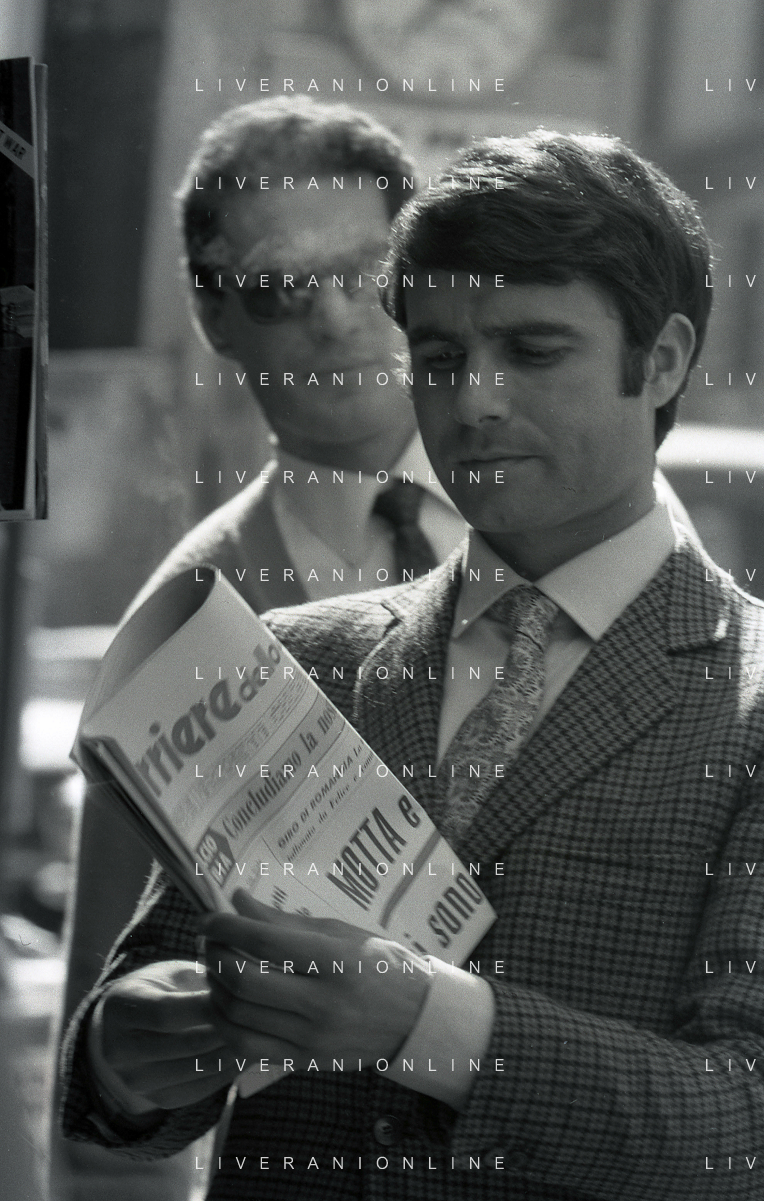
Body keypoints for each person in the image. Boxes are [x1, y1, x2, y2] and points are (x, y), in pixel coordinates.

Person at [59, 129, 756, 1201]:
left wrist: (427, 1023)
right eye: (438, 359)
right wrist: (129, 1052)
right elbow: (129, 1053)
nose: (473, 401)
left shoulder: (746, 703)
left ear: (660, 359)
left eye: (533, 351)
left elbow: (742, 1117)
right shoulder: (295, 658)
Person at [51, 98, 465, 1201]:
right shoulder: (183, 631)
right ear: (213, 314)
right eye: (280, 286)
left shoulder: (563, 507)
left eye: (364, 272)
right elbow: (112, 1072)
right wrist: (128, 1077)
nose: (333, 318)